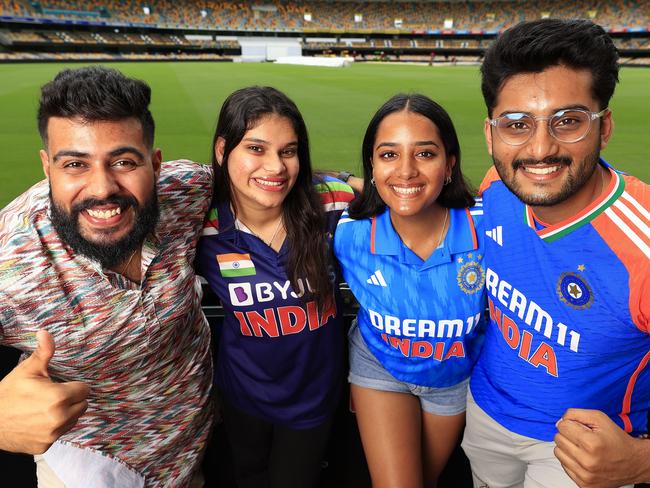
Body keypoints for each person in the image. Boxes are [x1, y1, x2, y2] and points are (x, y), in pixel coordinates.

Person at [0, 66, 213, 487]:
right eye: (76, 164)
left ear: (155, 164)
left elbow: (263, 180)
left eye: (123, 161)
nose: (102, 188)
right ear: (47, 167)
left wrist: (373, 183)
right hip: (89, 471)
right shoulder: (11, 259)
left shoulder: (185, 190)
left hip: (194, 457)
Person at [461, 18, 650, 488]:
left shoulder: (643, 246)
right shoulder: (496, 189)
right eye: (517, 125)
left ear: (603, 127)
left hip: (583, 453)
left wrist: (643, 461)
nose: (540, 149)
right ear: (490, 136)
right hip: (483, 414)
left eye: (567, 122)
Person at [196, 86, 354, 488]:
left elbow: (396, 194)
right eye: (256, 149)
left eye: (288, 151)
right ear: (221, 150)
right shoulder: (201, 226)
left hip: (314, 402)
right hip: (242, 396)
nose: (276, 167)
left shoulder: (330, 202)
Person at [333, 94, 487, 487]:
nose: (405, 171)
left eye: (425, 154)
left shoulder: (488, 230)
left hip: (453, 379)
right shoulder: (348, 233)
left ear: (450, 163)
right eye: (388, 155)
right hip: (379, 368)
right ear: (372, 164)